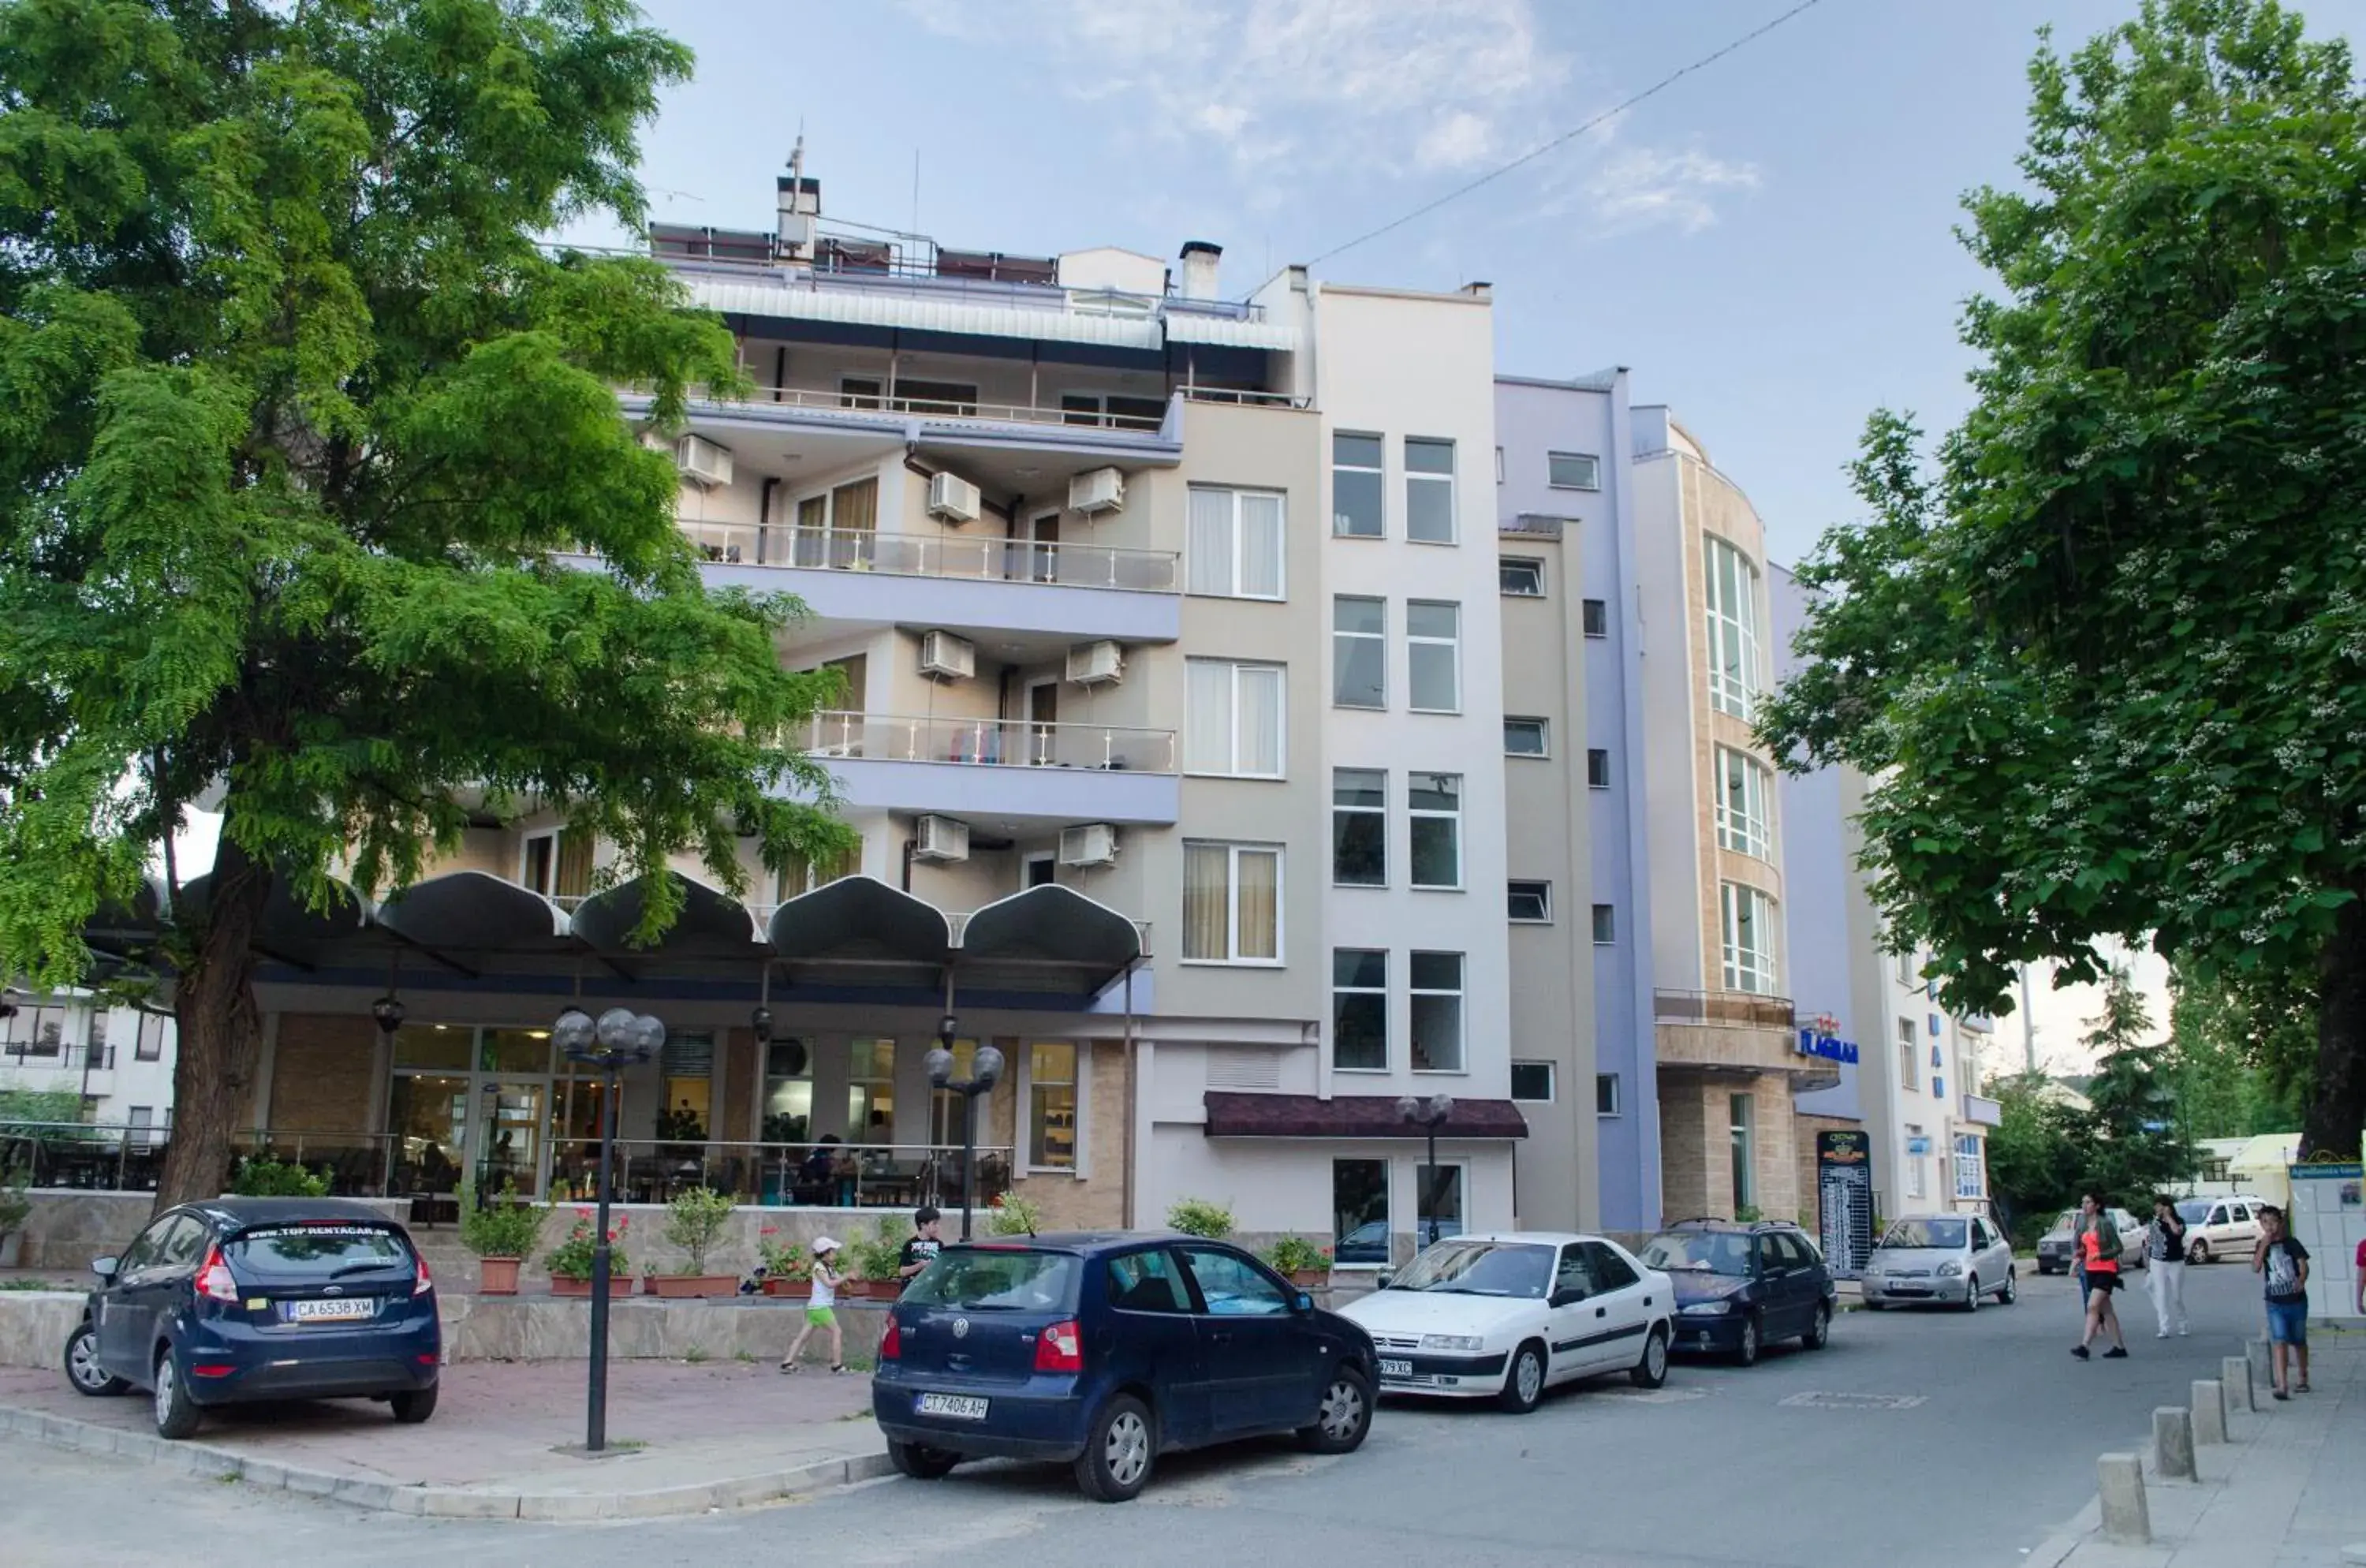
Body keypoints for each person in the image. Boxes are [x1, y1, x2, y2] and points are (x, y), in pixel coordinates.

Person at [2253, 1205, 2311, 1399]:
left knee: (2299, 1340)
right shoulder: (2263, 1244)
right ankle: (2282, 1384)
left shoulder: (2292, 1243)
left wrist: (2301, 1280)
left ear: (2280, 1222)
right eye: (2265, 1222)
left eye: (2273, 1222)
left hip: (2296, 1300)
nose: (2270, 1226)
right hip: (2275, 1301)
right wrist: (2263, 1245)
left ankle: (2302, 1376)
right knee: (2279, 1340)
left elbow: (2303, 1265)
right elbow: (2256, 1267)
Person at [2072, 1193, 2129, 1360]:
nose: (2084, 1205)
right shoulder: (2082, 1223)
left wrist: (2101, 1255)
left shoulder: (2105, 1223)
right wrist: (2079, 1256)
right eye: (2083, 1202)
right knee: (2107, 1309)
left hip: (2106, 1270)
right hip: (2091, 1270)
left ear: (2096, 1206)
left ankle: (2085, 1346)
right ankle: (2119, 1347)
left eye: (2088, 1202)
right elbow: (2084, 1248)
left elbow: (2118, 1247)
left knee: (2092, 1305)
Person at [781, 1236, 848, 1375]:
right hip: (820, 1307)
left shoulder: (828, 1267)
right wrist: (846, 1277)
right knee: (837, 1331)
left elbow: (837, 1279)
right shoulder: (819, 1267)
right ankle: (837, 1364)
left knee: (803, 1336)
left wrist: (846, 1279)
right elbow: (829, 1283)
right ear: (826, 1253)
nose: (835, 1254)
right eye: (833, 1251)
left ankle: (787, 1362)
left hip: (815, 1307)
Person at [2145, 1195, 2189, 1338]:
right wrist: (2147, 1265)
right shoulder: (2154, 1222)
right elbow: (2151, 1242)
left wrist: (2168, 1217)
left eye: (2160, 1206)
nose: (2157, 1209)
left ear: (2168, 1207)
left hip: (2176, 1261)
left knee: (2176, 1296)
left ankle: (2183, 1323)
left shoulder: (2179, 1221)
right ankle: (2163, 1326)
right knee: (2161, 1294)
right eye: (2156, 1206)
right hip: (2158, 1262)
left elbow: (2177, 1232)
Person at [898, 1206, 943, 1287]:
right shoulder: (910, 1244)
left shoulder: (939, 1244)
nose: (937, 1227)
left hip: (932, 1288)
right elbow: (902, 1271)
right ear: (923, 1225)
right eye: (934, 1223)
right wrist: (920, 1265)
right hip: (913, 1288)